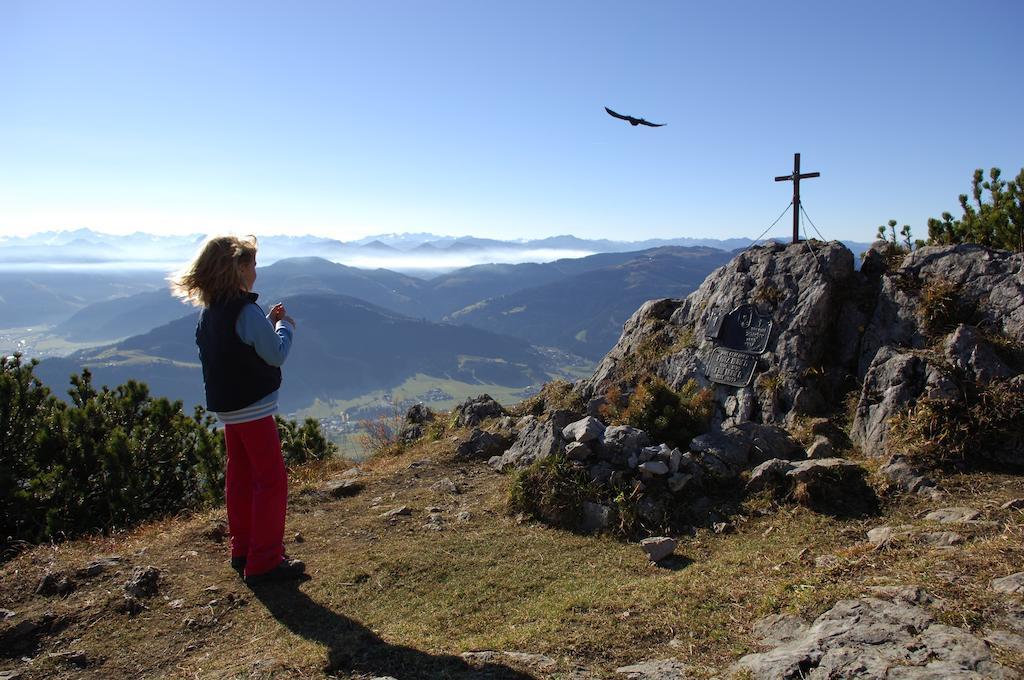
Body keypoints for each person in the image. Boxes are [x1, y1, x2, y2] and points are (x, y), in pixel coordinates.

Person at [171, 235, 305, 585]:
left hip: (228, 408)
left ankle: (242, 549)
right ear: (240, 268)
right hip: (254, 407)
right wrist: (284, 326)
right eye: (254, 265)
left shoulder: (210, 312)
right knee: (271, 481)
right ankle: (264, 562)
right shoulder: (246, 311)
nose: (257, 271)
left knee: (241, 477)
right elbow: (275, 353)